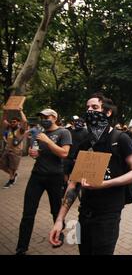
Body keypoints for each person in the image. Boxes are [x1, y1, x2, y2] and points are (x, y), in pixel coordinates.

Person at [49, 93, 132, 255]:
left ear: (107, 112)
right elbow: (73, 184)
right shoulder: (85, 144)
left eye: (95, 107)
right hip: (84, 214)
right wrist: (59, 220)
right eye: (87, 108)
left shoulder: (120, 139)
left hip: (108, 216)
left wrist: (104, 184)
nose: (90, 111)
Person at [16, 108, 71, 255]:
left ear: (54, 117)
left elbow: (64, 153)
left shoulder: (63, 132)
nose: (43, 119)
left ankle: (58, 233)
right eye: (41, 117)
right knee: (28, 212)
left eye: (46, 117)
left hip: (55, 176)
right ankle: (21, 247)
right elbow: (39, 152)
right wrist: (34, 154)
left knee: (55, 209)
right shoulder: (40, 134)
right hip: (37, 176)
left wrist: (48, 141)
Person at [1, 109, 28, 188]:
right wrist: (5, 112)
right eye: (12, 122)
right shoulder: (9, 128)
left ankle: (11, 181)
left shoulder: (21, 130)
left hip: (16, 152)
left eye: (14, 122)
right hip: (7, 150)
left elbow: (25, 121)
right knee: (2, 165)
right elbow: (3, 120)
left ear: (18, 122)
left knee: (13, 168)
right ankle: (14, 175)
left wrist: (20, 111)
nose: (12, 123)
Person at [63, 116, 89, 185]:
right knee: (67, 173)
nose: (78, 123)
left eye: (79, 122)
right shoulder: (69, 131)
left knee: (74, 176)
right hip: (69, 157)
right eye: (76, 122)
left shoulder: (86, 132)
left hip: (78, 158)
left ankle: (71, 187)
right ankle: (67, 186)